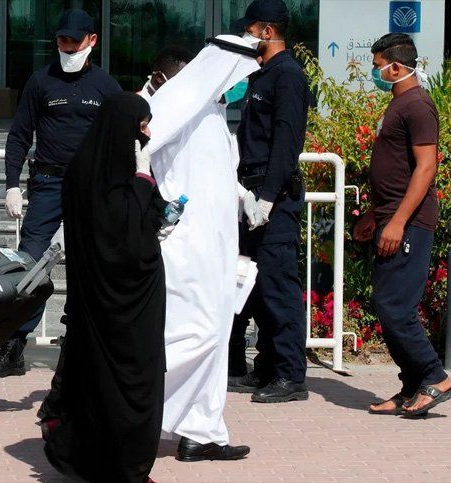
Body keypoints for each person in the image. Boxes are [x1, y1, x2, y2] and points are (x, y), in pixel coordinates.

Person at [0, 8, 121, 379]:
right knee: (30, 264)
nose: (69, 47)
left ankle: (80, 346)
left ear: (92, 40)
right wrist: (12, 184)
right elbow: (19, 135)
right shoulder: (40, 82)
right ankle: (13, 348)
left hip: (90, 187)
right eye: (63, 40)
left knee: (88, 267)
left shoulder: (106, 86)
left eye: (76, 40)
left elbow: (122, 138)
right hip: (48, 185)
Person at [43, 92, 167, 483]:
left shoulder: (93, 168)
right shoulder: (104, 176)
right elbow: (124, 234)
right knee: (126, 383)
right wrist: (144, 182)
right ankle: (126, 468)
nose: (146, 133)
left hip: (105, 303)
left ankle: (112, 462)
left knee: (102, 382)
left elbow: (135, 221)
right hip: (121, 305)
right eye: (141, 125)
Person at [147, 35, 258, 462]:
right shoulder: (175, 103)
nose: (242, 83)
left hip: (217, 247)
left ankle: (201, 431)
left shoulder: (212, 111)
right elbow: (135, 152)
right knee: (193, 336)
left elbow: (214, 173)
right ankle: (115, 406)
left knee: (214, 336)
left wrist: (242, 195)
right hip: (188, 248)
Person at [354, 33, 451, 417]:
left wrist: (397, 221)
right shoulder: (399, 103)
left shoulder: (418, 105)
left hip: (410, 222)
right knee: (387, 305)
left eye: (378, 66)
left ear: (396, 67)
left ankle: (435, 378)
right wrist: (375, 214)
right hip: (390, 217)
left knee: (396, 307)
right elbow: (394, 167)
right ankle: (413, 386)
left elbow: (426, 168)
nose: (375, 72)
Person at [227, 0, 313, 403]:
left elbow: (286, 144)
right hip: (252, 193)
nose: (245, 36)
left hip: (273, 198)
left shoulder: (288, 76)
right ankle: (267, 367)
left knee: (279, 287)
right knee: (257, 288)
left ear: (267, 31)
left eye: (249, 29)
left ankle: (291, 376)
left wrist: (267, 198)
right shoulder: (262, 74)